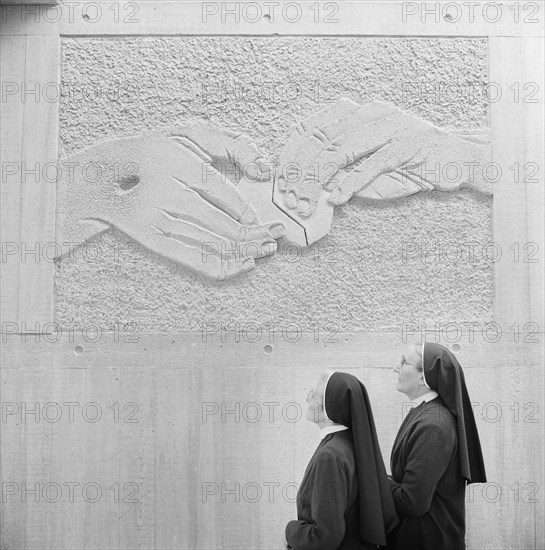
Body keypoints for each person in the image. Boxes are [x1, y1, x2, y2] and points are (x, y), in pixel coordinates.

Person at [284, 370, 398, 550]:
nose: (307, 399)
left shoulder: (330, 456)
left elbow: (325, 537)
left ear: (329, 407)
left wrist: (290, 531)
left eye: (312, 395)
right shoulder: (350, 443)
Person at [388, 342, 487, 550]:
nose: (396, 368)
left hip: (429, 541)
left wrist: (374, 481)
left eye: (404, 362)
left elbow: (413, 501)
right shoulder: (424, 413)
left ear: (424, 377)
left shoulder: (433, 425)